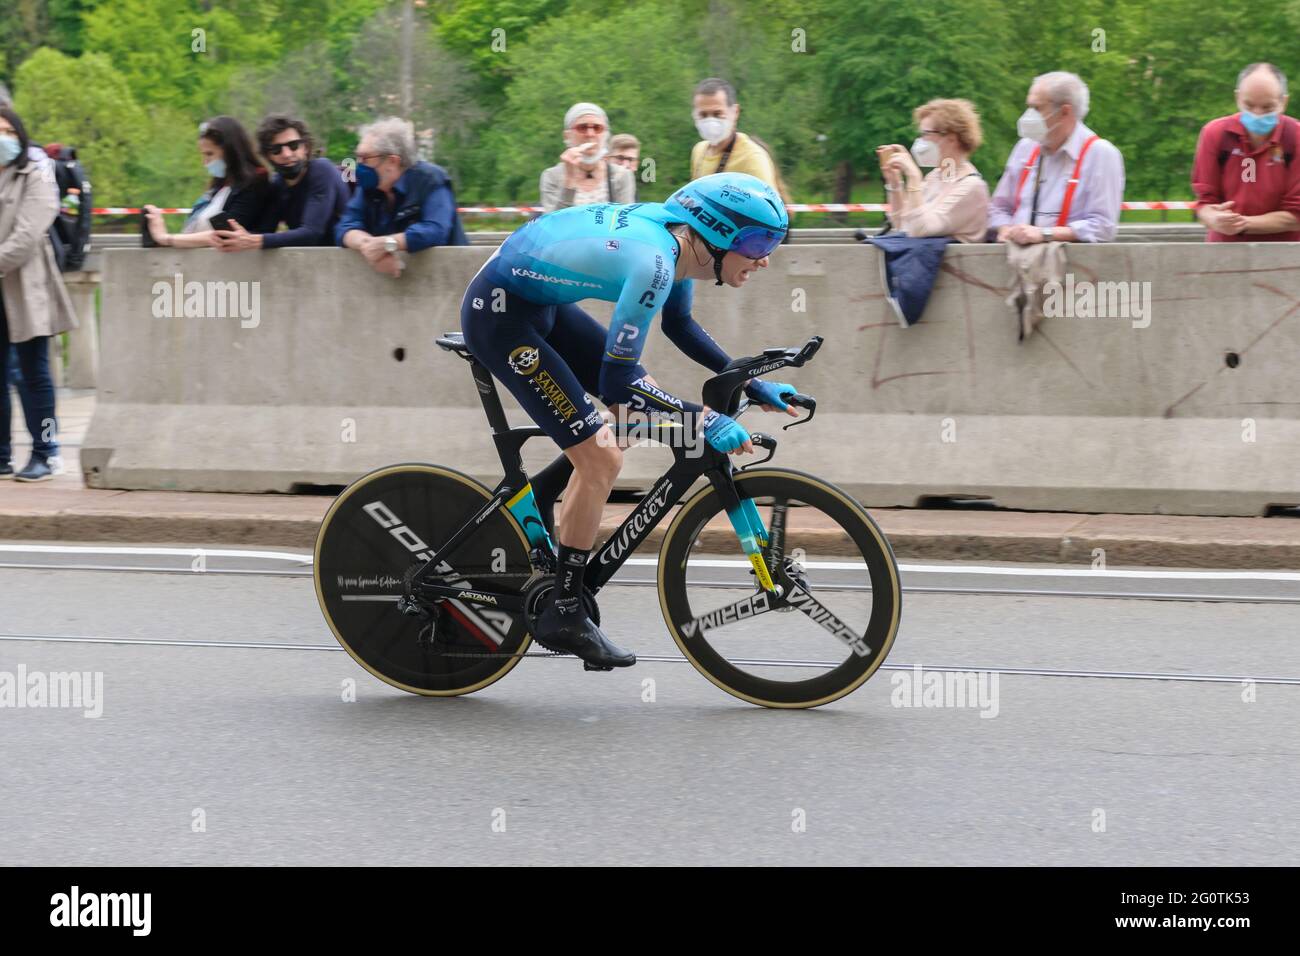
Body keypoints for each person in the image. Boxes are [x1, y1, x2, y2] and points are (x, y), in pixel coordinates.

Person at [460, 172, 795, 669]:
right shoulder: (655, 261)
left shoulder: (682, 248)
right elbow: (618, 386)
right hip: (500, 318)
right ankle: (566, 613)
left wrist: (749, 383)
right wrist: (700, 421)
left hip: (540, 306)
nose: (765, 257)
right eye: (758, 241)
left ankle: (552, 492)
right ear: (718, 233)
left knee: (636, 419)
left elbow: (679, 326)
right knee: (602, 457)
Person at [0, 106, 78, 482]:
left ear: (19, 134)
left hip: (27, 287)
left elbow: (27, 235)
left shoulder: (37, 175)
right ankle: (1, 455)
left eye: (7, 131)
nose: (2, 138)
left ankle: (46, 452)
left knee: (34, 373)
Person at [987, 72, 1125, 244]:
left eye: (1037, 108)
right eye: (1028, 107)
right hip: (1016, 261)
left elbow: (1103, 227)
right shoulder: (1026, 147)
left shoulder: (1101, 154)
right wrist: (1004, 229)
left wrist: (1045, 233)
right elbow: (998, 208)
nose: (1028, 115)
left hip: (1068, 265)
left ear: (1065, 112)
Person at [335, 116, 468, 278]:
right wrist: (369, 247)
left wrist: (388, 244)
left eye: (365, 158)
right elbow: (345, 226)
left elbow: (435, 230)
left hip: (450, 279)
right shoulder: (368, 188)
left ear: (392, 161)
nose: (358, 165)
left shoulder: (431, 179)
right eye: (357, 158)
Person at [1191, 63, 1300, 241]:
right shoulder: (1215, 134)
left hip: (1287, 255)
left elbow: (1297, 215)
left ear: (1284, 102)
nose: (1257, 114)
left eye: (1268, 108)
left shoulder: (1295, 138)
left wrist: (1241, 224)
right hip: (1223, 254)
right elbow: (1204, 203)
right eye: (1249, 106)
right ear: (1237, 98)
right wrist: (1213, 218)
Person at [213, 114, 350, 251]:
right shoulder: (278, 184)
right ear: (268, 156)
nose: (287, 154)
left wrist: (253, 240)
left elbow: (312, 232)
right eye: (276, 149)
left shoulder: (321, 170)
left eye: (293, 145)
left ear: (306, 147)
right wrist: (240, 237)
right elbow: (266, 230)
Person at [144, 116, 271, 248]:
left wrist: (165, 238)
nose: (204, 162)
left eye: (209, 154)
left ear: (230, 151)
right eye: (203, 154)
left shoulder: (254, 182)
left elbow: (224, 235)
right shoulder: (220, 185)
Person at [878, 98, 989, 242]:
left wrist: (913, 177)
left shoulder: (972, 187)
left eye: (926, 134)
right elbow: (903, 226)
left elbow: (920, 229)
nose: (920, 141)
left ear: (951, 138)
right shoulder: (936, 176)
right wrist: (894, 182)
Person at [689, 77, 790, 201]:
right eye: (703, 115)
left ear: (735, 112)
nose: (710, 121)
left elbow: (771, 214)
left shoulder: (752, 158)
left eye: (717, 114)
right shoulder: (699, 150)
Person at [539, 103, 636, 211]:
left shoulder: (621, 176)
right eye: (582, 127)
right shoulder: (552, 176)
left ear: (606, 135)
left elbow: (625, 222)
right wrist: (570, 180)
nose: (590, 134)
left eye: (597, 128)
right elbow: (553, 224)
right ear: (567, 136)